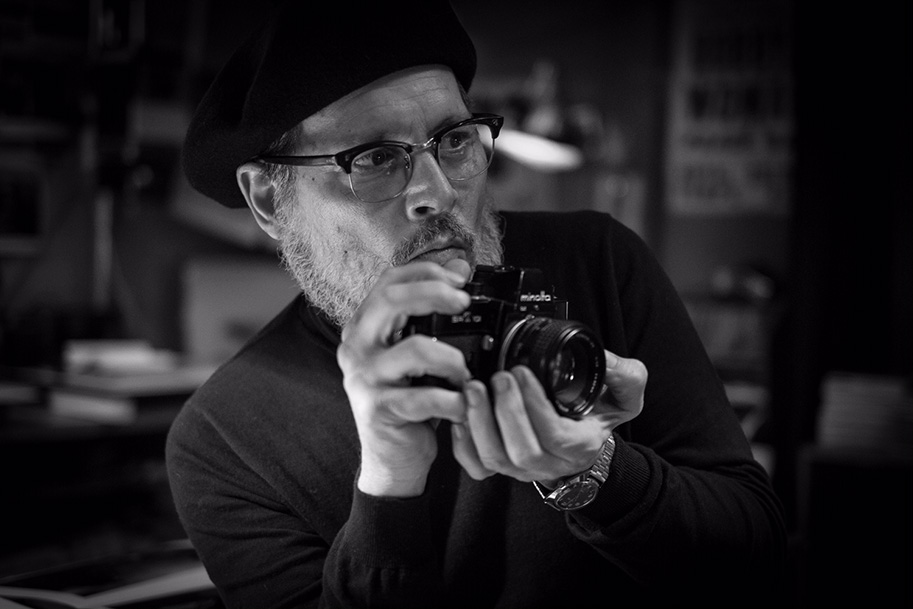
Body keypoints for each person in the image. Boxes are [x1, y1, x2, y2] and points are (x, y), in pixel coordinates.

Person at [166, 2, 787, 607]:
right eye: (376, 158)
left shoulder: (598, 261)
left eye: (454, 139)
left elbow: (755, 555)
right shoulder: (225, 437)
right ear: (269, 201)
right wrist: (388, 485)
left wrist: (595, 470)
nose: (437, 192)